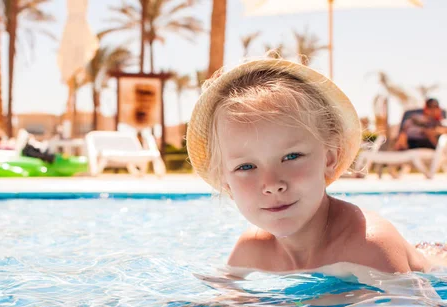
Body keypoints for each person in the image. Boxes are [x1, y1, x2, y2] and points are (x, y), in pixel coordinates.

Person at [185, 58, 446, 285]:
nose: (272, 183)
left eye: (291, 156)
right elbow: (221, 304)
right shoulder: (252, 249)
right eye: (245, 167)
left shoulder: (369, 243)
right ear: (226, 183)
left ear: (330, 158)